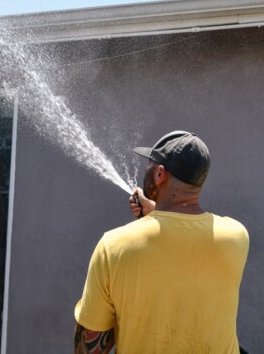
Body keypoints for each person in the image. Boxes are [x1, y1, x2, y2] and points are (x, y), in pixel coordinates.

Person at [73, 131, 249, 354]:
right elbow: (184, 233)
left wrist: (154, 217)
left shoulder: (113, 245)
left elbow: (88, 347)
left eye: (149, 163)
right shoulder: (236, 237)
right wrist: (155, 214)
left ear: (159, 174)